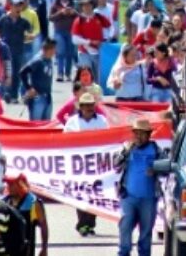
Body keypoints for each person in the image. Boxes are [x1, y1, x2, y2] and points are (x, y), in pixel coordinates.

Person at [115, 119, 163, 256]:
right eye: (136, 133)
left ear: (149, 135)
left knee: (146, 231)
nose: (139, 137)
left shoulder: (156, 150)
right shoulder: (127, 147)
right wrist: (126, 151)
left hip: (148, 198)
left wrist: (156, 169)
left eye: (142, 134)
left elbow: (167, 167)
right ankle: (124, 252)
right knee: (125, 226)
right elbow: (116, 165)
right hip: (129, 197)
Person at [63, 93, 109, 235]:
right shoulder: (72, 122)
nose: (89, 108)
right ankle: (82, 223)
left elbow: (108, 138)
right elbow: (65, 140)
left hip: (95, 163)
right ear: (81, 107)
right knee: (81, 193)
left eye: (91, 105)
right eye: (86, 106)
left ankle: (90, 223)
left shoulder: (101, 121)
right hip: (79, 164)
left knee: (94, 193)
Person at [2, 171, 49, 256]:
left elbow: (43, 226)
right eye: (8, 184)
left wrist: (44, 248)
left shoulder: (33, 203)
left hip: (25, 250)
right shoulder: (4, 201)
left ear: (21, 185)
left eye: (12, 184)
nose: (9, 187)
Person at [19, 40, 57, 121]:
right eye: (53, 50)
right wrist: (29, 88)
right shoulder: (38, 61)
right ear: (47, 50)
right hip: (37, 97)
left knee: (46, 124)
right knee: (35, 124)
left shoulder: (49, 60)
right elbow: (23, 72)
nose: (54, 52)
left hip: (47, 95)